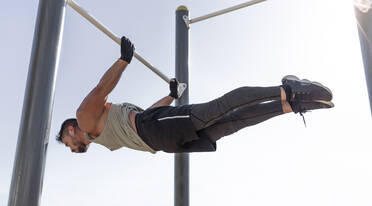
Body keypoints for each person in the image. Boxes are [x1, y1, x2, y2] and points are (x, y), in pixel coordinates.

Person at [56, 36, 334, 154]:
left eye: (67, 143)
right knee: (233, 122)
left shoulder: (84, 119)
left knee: (222, 108)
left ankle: (287, 90)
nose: (71, 148)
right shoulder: (99, 136)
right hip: (161, 139)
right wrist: (171, 96)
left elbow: (101, 90)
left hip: (154, 130)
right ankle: (293, 104)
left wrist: (124, 60)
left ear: (71, 129)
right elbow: (146, 114)